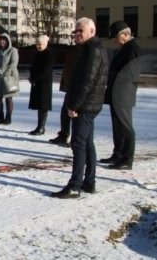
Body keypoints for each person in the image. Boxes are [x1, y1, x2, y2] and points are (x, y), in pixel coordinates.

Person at [51, 17, 108, 198]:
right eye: (75, 31)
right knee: (87, 144)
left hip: (85, 105)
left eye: (80, 31)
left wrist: (74, 105)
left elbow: (87, 81)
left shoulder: (93, 50)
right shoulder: (90, 48)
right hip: (89, 104)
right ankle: (89, 182)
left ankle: (75, 185)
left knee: (78, 145)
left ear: (92, 31)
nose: (76, 34)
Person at [101, 21, 141, 170]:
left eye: (116, 37)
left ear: (125, 34)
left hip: (124, 94)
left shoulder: (133, 48)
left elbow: (132, 72)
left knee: (125, 127)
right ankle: (117, 153)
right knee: (117, 127)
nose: (114, 41)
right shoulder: (122, 48)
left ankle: (126, 159)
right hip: (116, 93)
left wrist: (114, 76)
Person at [48, 45, 81, 146]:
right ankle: (63, 134)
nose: (75, 36)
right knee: (65, 112)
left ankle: (76, 138)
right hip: (70, 87)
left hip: (78, 88)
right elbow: (68, 67)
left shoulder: (86, 50)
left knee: (76, 114)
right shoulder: (74, 50)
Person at [27, 35, 53, 135]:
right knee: (39, 106)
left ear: (45, 44)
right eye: (36, 44)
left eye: (40, 44)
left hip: (44, 84)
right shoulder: (39, 53)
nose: (38, 46)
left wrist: (34, 78)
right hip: (37, 83)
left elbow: (45, 71)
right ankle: (39, 127)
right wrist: (31, 77)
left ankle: (41, 127)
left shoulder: (49, 54)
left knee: (43, 106)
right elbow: (33, 67)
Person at [0, 33, 19, 125]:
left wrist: (5, 72)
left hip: (9, 77)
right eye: (1, 40)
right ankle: (0, 117)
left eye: (4, 40)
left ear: (8, 41)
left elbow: (13, 63)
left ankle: (8, 118)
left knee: (8, 97)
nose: (2, 41)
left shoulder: (13, 50)